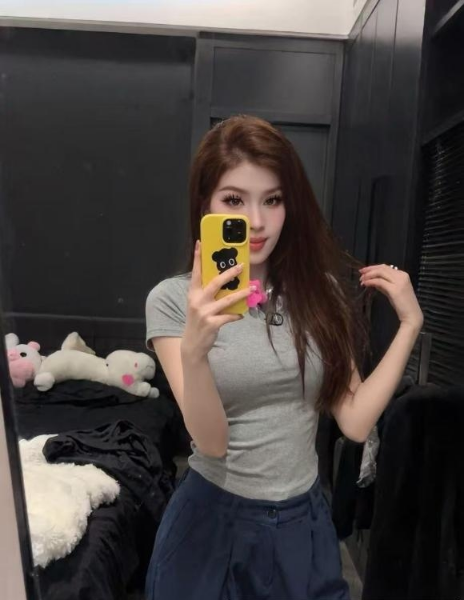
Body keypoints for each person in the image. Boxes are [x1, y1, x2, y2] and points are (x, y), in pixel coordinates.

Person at [144, 115, 424, 600]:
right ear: (206, 205)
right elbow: (211, 443)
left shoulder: (321, 294)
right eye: (234, 200)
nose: (256, 221)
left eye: (272, 200)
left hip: (303, 524)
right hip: (214, 523)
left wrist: (409, 326)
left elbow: (355, 421)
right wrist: (195, 351)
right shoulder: (173, 301)